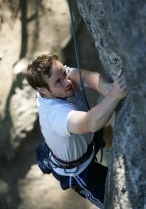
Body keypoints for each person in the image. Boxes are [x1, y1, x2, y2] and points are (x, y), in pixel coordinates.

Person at [26, 54, 127, 209]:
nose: (67, 82)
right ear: (43, 90)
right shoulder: (55, 114)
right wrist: (115, 94)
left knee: (106, 132)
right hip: (80, 170)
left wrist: (107, 88)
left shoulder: (54, 76)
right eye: (58, 82)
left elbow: (84, 77)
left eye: (64, 74)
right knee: (114, 201)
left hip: (86, 138)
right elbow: (90, 122)